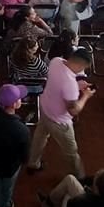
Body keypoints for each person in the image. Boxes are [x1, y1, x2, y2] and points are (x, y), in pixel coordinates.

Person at [27, 43, 95, 177]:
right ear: (82, 66)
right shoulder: (69, 84)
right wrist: (86, 96)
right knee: (71, 152)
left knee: (39, 137)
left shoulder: (56, 61)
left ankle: (33, 164)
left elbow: (61, 82)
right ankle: (79, 178)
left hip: (45, 108)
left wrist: (77, 85)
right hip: (59, 121)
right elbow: (73, 110)